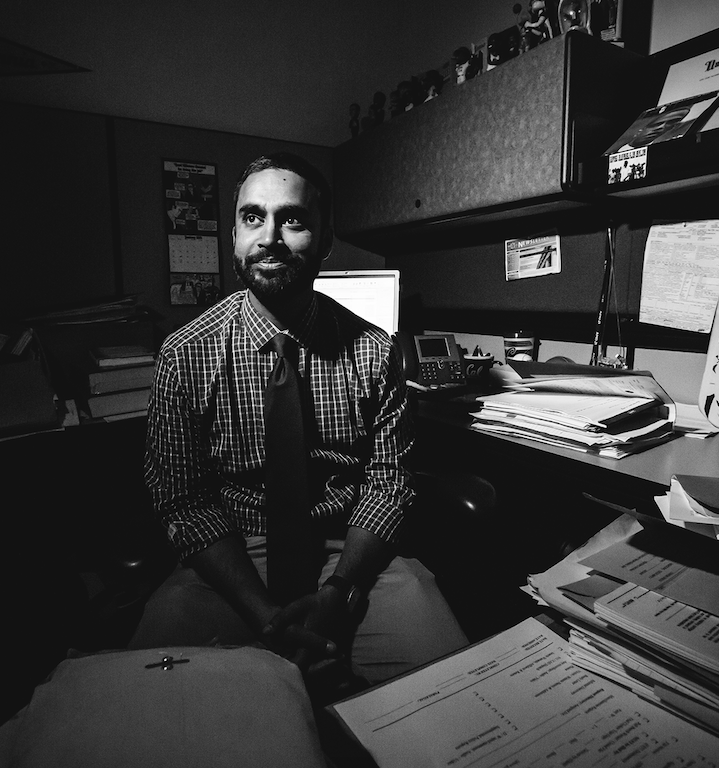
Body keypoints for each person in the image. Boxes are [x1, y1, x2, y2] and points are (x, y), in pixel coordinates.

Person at [129, 152, 468, 694]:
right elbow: (184, 501)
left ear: (325, 239)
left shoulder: (375, 354)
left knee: (451, 694)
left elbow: (387, 487)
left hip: (350, 554)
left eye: (293, 219)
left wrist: (339, 594)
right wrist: (265, 613)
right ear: (235, 236)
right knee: (150, 709)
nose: (270, 237)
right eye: (252, 218)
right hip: (231, 559)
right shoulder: (186, 355)